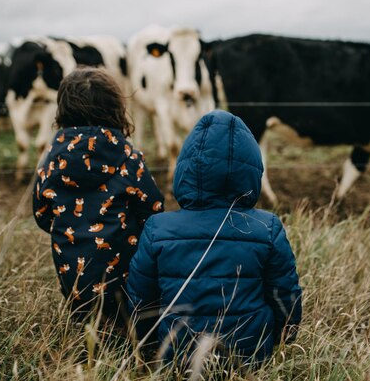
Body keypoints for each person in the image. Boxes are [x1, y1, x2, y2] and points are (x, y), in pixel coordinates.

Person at [126, 110, 302, 365]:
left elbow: (141, 301)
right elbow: (285, 298)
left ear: (186, 167)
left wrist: (150, 345)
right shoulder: (267, 228)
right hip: (249, 358)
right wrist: (281, 338)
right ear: (252, 169)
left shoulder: (158, 229)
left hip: (178, 357)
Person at [32, 67, 165, 326]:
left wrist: (70, 226)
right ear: (116, 109)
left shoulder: (51, 161)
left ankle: (87, 325)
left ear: (62, 111)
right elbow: (154, 212)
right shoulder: (129, 160)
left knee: (86, 323)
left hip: (74, 286)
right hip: (127, 288)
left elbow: (41, 214)